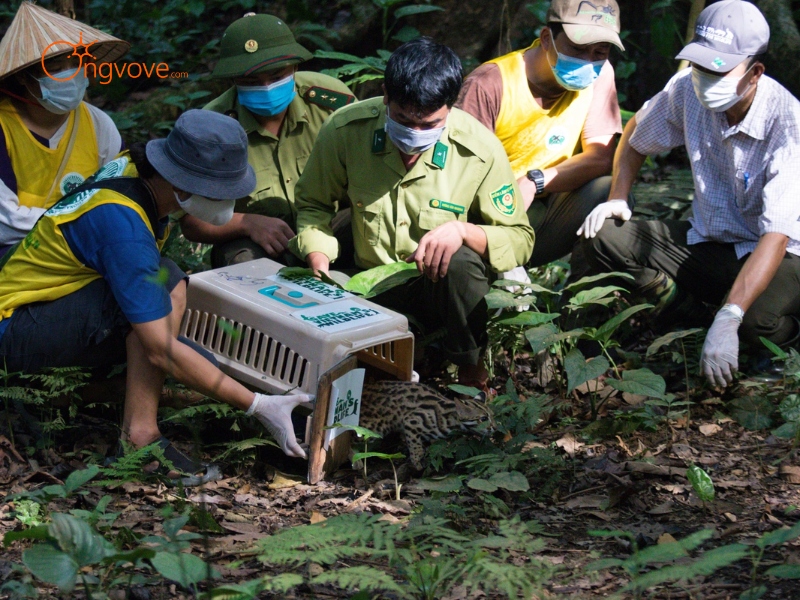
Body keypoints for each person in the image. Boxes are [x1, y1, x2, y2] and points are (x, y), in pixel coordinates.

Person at [0, 110, 312, 484]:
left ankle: (138, 423)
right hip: (13, 329)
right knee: (150, 315)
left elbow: (192, 229)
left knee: (168, 281)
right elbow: (159, 348)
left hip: (40, 302)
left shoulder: (138, 172)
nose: (227, 203)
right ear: (182, 185)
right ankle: (141, 439)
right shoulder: (123, 227)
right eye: (218, 193)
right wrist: (258, 404)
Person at [289, 38, 535, 390]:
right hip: (364, 285)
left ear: (450, 108)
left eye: (429, 124)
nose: (414, 134)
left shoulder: (479, 149)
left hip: (434, 289)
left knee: (463, 261)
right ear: (386, 95)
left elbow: (520, 238)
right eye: (403, 120)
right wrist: (318, 256)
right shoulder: (346, 131)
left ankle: (470, 376)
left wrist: (463, 232)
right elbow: (313, 204)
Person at [577, 0, 800, 387]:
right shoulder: (687, 90)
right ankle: (692, 316)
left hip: (783, 256)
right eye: (699, 65)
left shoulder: (788, 123)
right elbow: (636, 135)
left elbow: (776, 236)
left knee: (755, 323)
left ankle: (785, 339)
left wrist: (731, 315)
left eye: (719, 69)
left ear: (755, 72)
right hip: (712, 241)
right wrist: (618, 195)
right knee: (603, 237)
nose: (704, 77)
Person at [179, 13, 356, 268]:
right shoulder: (212, 128)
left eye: (276, 77)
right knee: (243, 263)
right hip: (259, 244)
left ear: (294, 67)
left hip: (329, 226)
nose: (266, 88)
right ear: (233, 80)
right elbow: (191, 222)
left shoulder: (330, 103)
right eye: (251, 82)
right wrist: (245, 223)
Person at [456, 0, 624, 268]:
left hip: (542, 208)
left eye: (600, 52)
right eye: (578, 49)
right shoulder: (490, 83)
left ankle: (583, 284)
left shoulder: (600, 76)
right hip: (483, 216)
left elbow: (600, 157)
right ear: (547, 38)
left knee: (608, 193)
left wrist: (535, 180)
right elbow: (458, 176)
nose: (588, 61)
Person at [0, 2, 128, 257]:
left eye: (76, 62)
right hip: (18, 254)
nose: (69, 75)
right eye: (56, 68)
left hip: (90, 247)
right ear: (25, 76)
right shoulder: (4, 127)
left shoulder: (98, 124)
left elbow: (123, 190)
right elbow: (5, 223)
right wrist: (85, 223)